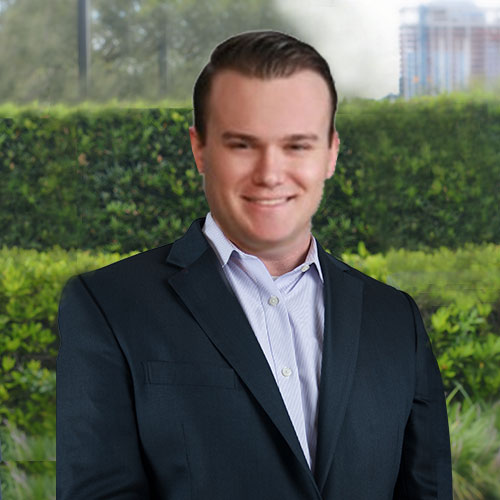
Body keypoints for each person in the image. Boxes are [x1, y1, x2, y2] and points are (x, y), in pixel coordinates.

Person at [57, 30, 452, 499]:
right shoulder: (108, 306)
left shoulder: (395, 319)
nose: (269, 173)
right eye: (243, 144)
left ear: (331, 153)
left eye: (297, 145)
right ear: (200, 149)